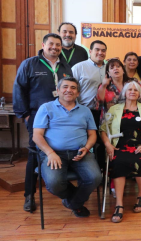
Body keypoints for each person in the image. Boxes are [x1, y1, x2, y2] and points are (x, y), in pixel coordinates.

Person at [13, 33, 73, 212]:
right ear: (43, 45)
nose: (55, 47)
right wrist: (25, 115)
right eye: (51, 44)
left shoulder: (65, 66)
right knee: (34, 155)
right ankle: (29, 195)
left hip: (60, 118)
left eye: (58, 45)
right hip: (36, 117)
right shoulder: (30, 64)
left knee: (59, 149)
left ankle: (61, 188)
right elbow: (19, 89)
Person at [32, 77, 101, 217]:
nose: (69, 90)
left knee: (95, 178)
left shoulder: (85, 111)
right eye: (65, 87)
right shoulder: (46, 108)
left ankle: (72, 203)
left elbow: (93, 135)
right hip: (53, 154)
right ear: (58, 91)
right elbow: (37, 136)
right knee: (54, 183)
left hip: (81, 153)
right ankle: (76, 202)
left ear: (78, 93)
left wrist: (87, 148)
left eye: (73, 88)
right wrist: (50, 153)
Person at [100, 81, 141, 223]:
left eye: (135, 90)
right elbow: (102, 129)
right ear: (124, 92)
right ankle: (119, 204)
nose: (132, 92)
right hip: (119, 146)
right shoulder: (114, 109)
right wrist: (108, 145)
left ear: (139, 94)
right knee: (117, 161)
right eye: (129, 89)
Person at [71, 40, 107, 126]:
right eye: (97, 50)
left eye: (103, 50)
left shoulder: (109, 68)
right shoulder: (79, 67)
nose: (100, 52)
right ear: (90, 51)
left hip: (105, 112)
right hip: (83, 111)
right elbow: (71, 89)